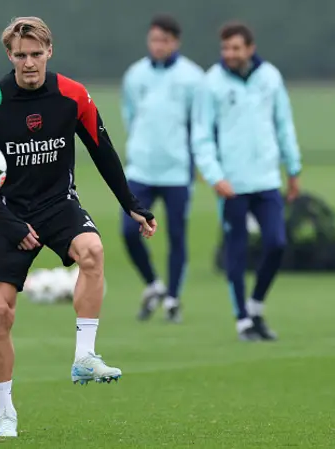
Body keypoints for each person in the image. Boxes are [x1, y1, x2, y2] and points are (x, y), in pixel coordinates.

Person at [0, 16, 157, 438]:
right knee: (0, 312)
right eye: (21, 56)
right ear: (9, 56)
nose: (29, 63)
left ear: (49, 51)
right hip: (8, 211)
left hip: (58, 204)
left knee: (93, 251)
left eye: (36, 54)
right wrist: (11, 224)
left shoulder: (73, 95)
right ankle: (5, 414)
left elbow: (102, 150)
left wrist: (131, 205)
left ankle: (84, 357)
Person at [192, 21, 302, 341]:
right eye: (225, 48)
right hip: (232, 183)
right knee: (237, 250)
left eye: (236, 48)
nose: (230, 54)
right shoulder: (211, 83)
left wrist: (293, 169)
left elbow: (284, 125)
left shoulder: (270, 78)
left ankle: (255, 306)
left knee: (276, 243)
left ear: (250, 49)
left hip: (267, 179)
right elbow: (202, 136)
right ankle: (242, 320)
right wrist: (215, 176)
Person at [120, 14, 203, 323]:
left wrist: (196, 162)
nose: (158, 46)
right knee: (129, 231)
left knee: (177, 235)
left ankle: (173, 298)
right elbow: (130, 116)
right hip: (140, 169)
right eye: (154, 39)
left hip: (177, 170)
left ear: (175, 42)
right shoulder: (135, 75)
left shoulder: (193, 77)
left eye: (164, 40)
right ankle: (154, 284)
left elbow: (200, 124)